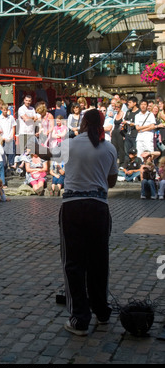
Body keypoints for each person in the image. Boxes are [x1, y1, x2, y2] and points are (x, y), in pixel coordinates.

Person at [59, 109, 118, 336]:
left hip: (73, 206)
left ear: (82, 123)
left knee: (73, 263)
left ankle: (80, 319)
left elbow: (44, 154)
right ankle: (101, 311)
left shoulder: (71, 144)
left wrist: (27, 137)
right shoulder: (110, 147)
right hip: (98, 207)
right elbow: (111, 182)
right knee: (99, 261)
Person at [0, 104, 16, 170]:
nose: (5, 111)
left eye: (6, 110)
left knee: (11, 155)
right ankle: (4, 169)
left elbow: (13, 127)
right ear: (1, 110)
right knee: (3, 155)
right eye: (4, 110)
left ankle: (12, 168)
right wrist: (3, 138)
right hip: (3, 139)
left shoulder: (11, 117)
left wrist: (11, 136)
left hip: (10, 138)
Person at [111, 101, 126, 168]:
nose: (116, 108)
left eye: (118, 107)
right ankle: (114, 162)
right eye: (115, 107)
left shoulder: (124, 114)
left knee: (121, 148)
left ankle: (122, 163)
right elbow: (114, 124)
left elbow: (124, 124)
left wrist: (124, 135)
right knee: (114, 148)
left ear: (121, 107)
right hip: (114, 131)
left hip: (120, 132)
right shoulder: (115, 115)